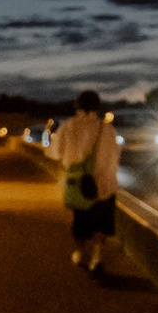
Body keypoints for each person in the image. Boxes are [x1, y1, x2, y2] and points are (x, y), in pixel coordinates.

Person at [53, 89, 119, 273]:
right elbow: (115, 155)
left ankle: (81, 252)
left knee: (80, 222)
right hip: (104, 184)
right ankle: (97, 257)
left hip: (79, 185)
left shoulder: (68, 126)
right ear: (97, 106)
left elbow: (55, 152)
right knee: (102, 223)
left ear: (78, 106)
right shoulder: (106, 129)